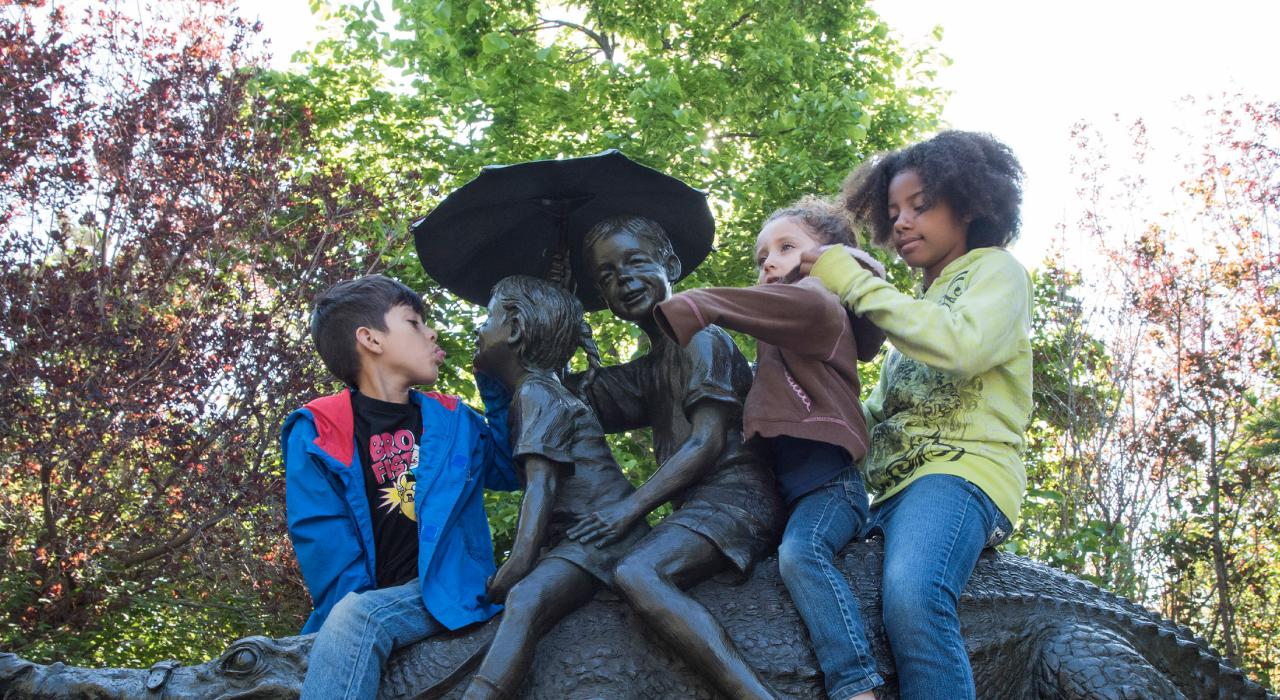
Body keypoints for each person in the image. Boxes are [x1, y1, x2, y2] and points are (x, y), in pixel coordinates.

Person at [797, 130, 1032, 700]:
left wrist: (851, 282)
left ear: (972, 205)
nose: (901, 223)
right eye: (894, 211)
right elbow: (874, 416)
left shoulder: (996, 272)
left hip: (962, 474)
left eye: (920, 207)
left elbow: (961, 345)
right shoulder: (916, 311)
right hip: (890, 495)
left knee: (913, 594)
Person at [651, 197, 887, 700]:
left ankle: (857, 684)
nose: (770, 262)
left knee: (801, 555)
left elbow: (787, 305)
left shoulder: (820, 305)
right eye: (762, 257)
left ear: (828, 257)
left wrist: (699, 304)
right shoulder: (780, 342)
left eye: (786, 247)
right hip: (788, 494)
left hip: (830, 489)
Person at [565, 215, 784, 699]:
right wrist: (561, 314)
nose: (622, 279)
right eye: (606, 277)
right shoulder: (650, 367)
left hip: (737, 501)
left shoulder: (700, 338)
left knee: (639, 572)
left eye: (635, 262)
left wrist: (629, 508)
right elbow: (572, 401)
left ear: (671, 264)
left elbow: (705, 443)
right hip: (699, 510)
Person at [282, 274, 520, 700]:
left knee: (359, 618)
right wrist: (362, 606)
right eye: (413, 322)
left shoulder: (453, 420)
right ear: (370, 339)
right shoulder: (317, 430)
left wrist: (497, 385)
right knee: (355, 616)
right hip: (367, 601)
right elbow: (321, 537)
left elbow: (510, 469)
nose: (431, 333)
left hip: (449, 588)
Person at [461, 275, 650, 699]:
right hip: (580, 538)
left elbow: (540, 488)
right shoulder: (537, 390)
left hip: (599, 536)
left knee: (526, 599)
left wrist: (517, 564)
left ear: (514, 329)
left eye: (488, 318)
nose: (479, 327)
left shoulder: (537, 394)